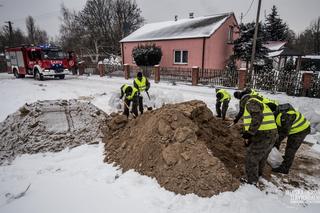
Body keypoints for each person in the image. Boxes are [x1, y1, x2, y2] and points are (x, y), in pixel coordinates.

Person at [240, 92, 278, 184]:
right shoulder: (260, 102)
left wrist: (249, 133)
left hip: (264, 134)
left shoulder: (250, 102)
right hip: (271, 133)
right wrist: (249, 137)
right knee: (262, 156)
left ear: (243, 101)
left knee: (251, 158)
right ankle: (258, 174)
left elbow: (258, 117)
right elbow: (251, 120)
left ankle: (251, 181)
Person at [272, 103, 311, 174]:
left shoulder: (286, 117)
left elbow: (283, 133)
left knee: (291, 148)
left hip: (301, 130)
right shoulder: (278, 113)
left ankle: (285, 168)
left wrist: (275, 143)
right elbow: (279, 130)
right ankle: (286, 158)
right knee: (281, 142)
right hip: (294, 128)